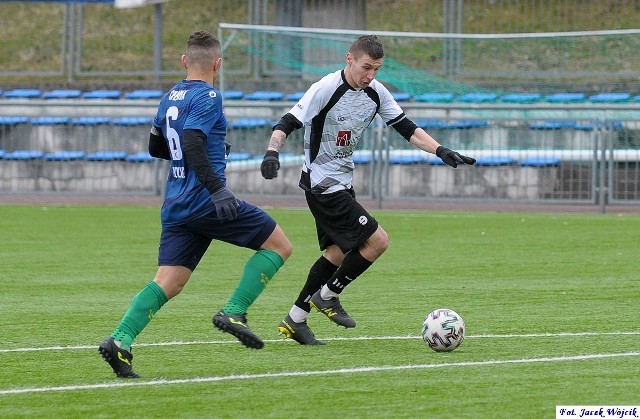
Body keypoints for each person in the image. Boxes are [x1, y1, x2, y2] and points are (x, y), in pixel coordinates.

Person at [98, 30, 293, 378]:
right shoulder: (210, 95)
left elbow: (158, 148)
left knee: (169, 281)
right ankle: (234, 311)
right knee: (279, 245)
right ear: (217, 63)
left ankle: (120, 341)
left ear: (185, 61)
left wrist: (216, 151)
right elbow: (190, 140)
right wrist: (218, 189)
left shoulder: (169, 96)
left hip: (174, 202)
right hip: (204, 200)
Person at [260, 35, 475, 345]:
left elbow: (406, 127)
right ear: (349, 59)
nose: (370, 75)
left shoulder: (376, 92)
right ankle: (327, 296)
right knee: (377, 241)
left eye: (377, 68)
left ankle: (295, 319)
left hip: (343, 185)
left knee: (337, 253)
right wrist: (272, 152)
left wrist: (441, 151)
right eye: (366, 67)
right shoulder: (325, 88)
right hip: (322, 185)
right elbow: (287, 121)